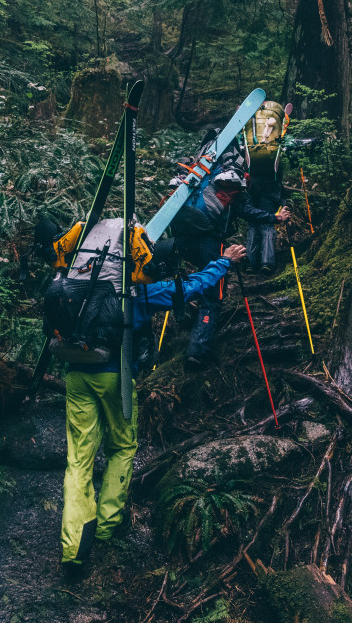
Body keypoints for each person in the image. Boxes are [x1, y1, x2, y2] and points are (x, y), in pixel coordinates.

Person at [59, 238, 249, 578]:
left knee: (78, 458)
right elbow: (190, 287)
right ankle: (105, 526)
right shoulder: (134, 294)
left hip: (75, 373)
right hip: (114, 375)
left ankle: (73, 548)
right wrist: (224, 262)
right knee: (121, 446)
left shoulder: (82, 281)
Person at [171, 169, 292, 368]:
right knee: (213, 299)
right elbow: (250, 213)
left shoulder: (203, 182)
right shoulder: (234, 192)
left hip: (182, 242)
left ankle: (187, 317)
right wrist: (276, 218)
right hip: (210, 244)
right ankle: (197, 352)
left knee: (194, 282)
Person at [245, 163, 287, 273]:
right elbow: (281, 195)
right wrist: (283, 206)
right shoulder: (274, 174)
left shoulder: (253, 169)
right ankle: (266, 263)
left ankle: (251, 263)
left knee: (253, 230)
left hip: (254, 203)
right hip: (269, 202)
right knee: (267, 230)